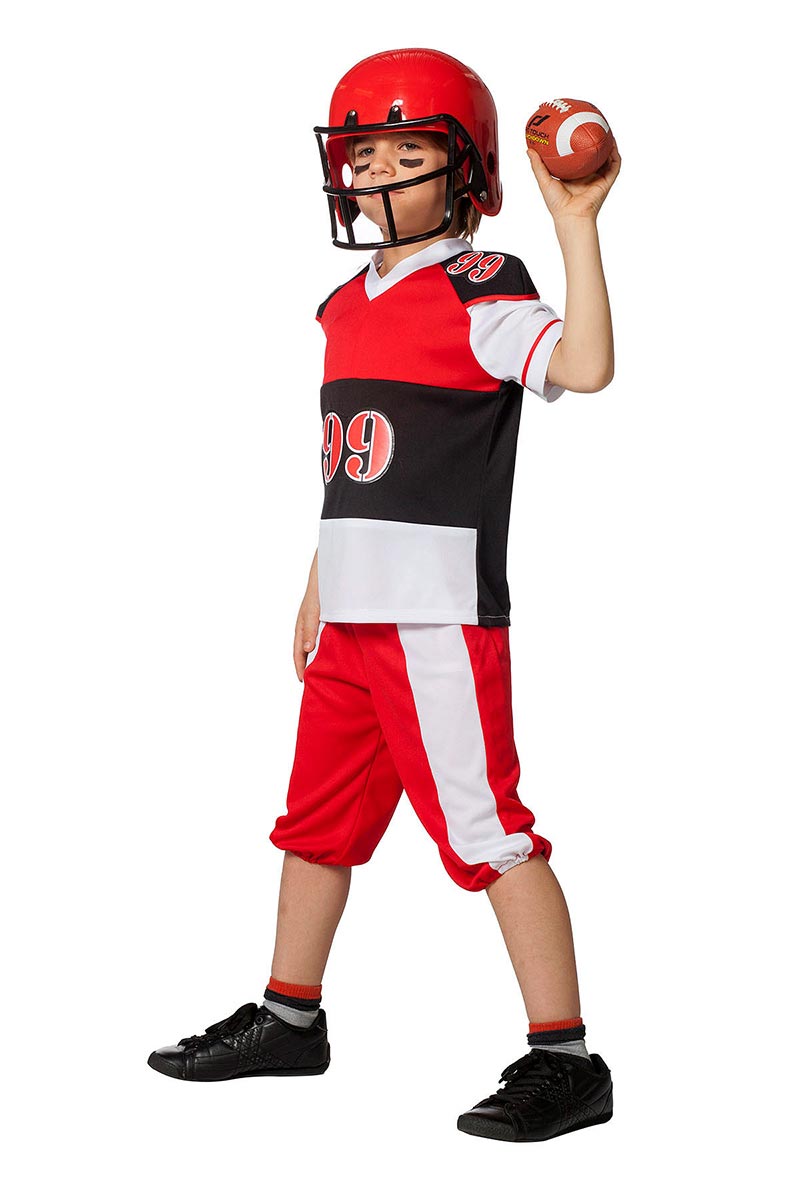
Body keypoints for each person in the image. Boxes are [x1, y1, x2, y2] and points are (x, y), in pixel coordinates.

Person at [147, 47, 621, 1144]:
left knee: (490, 832)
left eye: (408, 153)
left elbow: (586, 366)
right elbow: (352, 468)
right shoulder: (343, 303)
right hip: (355, 616)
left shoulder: (481, 285)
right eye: (364, 155)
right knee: (313, 825)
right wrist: (317, 583)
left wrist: (577, 227)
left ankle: (567, 1060)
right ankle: (288, 1017)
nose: (375, 174)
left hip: (433, 616)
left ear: (463, 172)